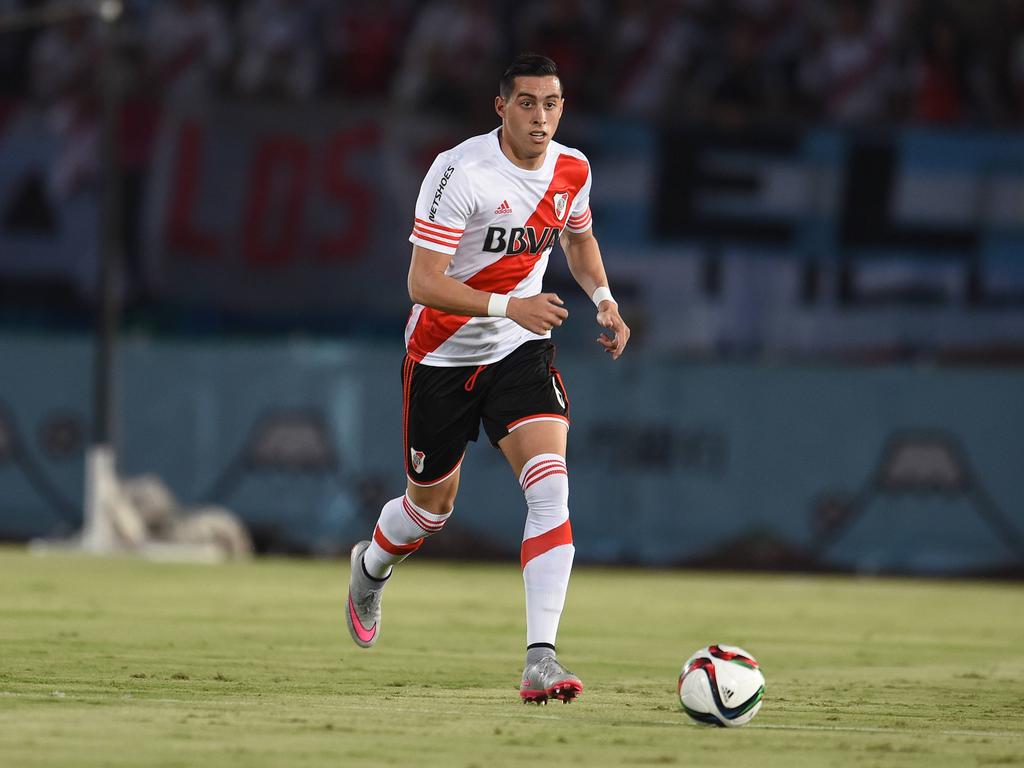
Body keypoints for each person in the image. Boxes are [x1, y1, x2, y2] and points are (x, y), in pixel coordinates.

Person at [345, 53, 630, 705]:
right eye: (527, 103)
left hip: (520, 352)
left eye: (552, 102)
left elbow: (577, 240)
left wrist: (605, 300)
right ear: (500, 108)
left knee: (550, 489)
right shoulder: (460, 171)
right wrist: (511, 303)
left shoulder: (572, 168)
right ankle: (370, 568)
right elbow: (422, 281)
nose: (541, 116)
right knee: (428, 511)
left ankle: (541, 660)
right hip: (442, 358)